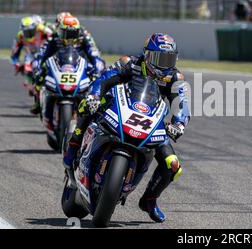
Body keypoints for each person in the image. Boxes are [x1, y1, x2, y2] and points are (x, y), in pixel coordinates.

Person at [63, 33, 190, 223]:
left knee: (173, 165)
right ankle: (73, 148)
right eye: (159, 59)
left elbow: (181, 104)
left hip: (150, 122)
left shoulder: (175, 78)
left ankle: (149, 200)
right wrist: (94, 96)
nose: (163, 64)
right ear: (147, 55)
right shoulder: (129, 63)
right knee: (84, 106)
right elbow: (103, 79)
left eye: (168, 60)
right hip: (116, 110)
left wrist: (179, 124)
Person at [33, 15, 105, 135]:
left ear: (78, 31)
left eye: (72, 33)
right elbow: (40, 55)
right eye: (65, 33)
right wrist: (37, 68)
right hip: (57, 70)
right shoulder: (53, 39)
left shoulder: (84, 37)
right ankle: (45, 114)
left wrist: (98, 70)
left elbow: (95, 55)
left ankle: (90, 122)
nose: (69, 37)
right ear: (59, 31)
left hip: (80, 71)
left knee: (94, 93)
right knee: (40, 82)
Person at [11, 15, 53, 113]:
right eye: (26, 31)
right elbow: (14, 54)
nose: (29, 34)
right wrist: (17, 64)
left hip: (45, 54)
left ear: (36, 27)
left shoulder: (43, 30)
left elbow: (55, 39)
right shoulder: (20, 36)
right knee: (28, 71)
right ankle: (37, 100)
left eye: (31, 30)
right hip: (31, 56)